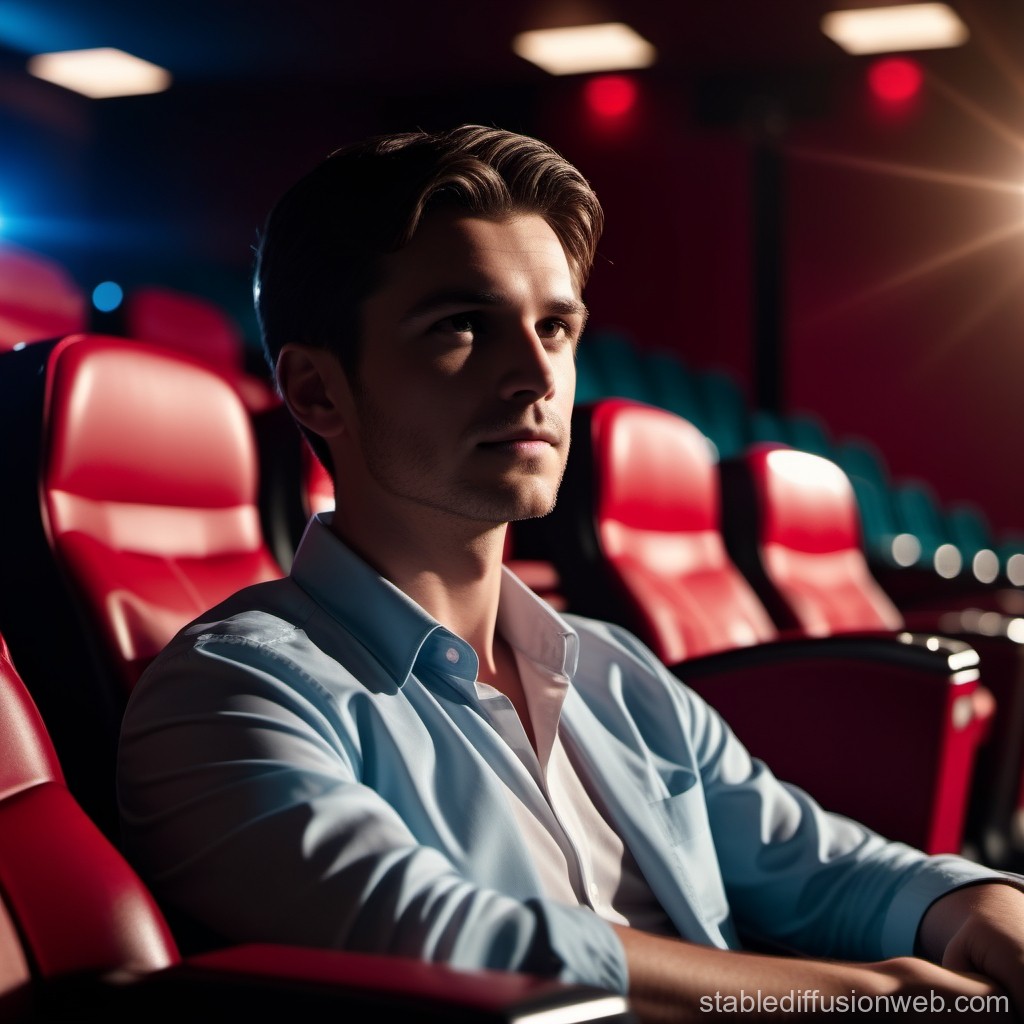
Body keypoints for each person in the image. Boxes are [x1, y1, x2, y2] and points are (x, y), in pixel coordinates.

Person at [117, 124, 1024, 1022]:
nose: (536, 373)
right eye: (462, 326)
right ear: (317, 391)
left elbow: (817, 864)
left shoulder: (613, 669)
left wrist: (970, 906)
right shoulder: (230, 690)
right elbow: (442, 940)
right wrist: (862, 1001)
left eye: (556, 326)